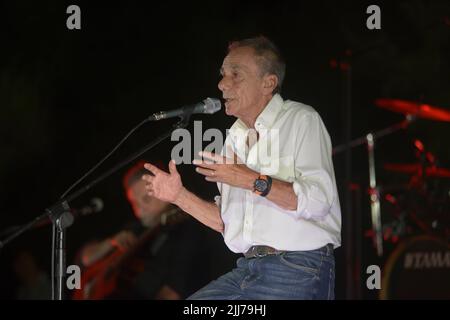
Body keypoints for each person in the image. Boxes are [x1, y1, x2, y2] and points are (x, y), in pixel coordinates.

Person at [143, 36, 341, 300]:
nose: (222, 84)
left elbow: (319, 201)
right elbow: (227, 222)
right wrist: (179, 196)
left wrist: (249, 179)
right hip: (248, 270)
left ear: (268, 83)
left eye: (236, 75)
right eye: (223, 75)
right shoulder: (234, 138)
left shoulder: (301, 120)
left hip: (297, 267)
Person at [75, 160, 208, 300]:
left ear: (164, 192)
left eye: (146, 199)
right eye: (134, 204)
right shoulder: (134, 228)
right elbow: (84, 259)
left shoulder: (186, 230)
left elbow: (172, 293)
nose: (139, 210)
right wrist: (111, 243)